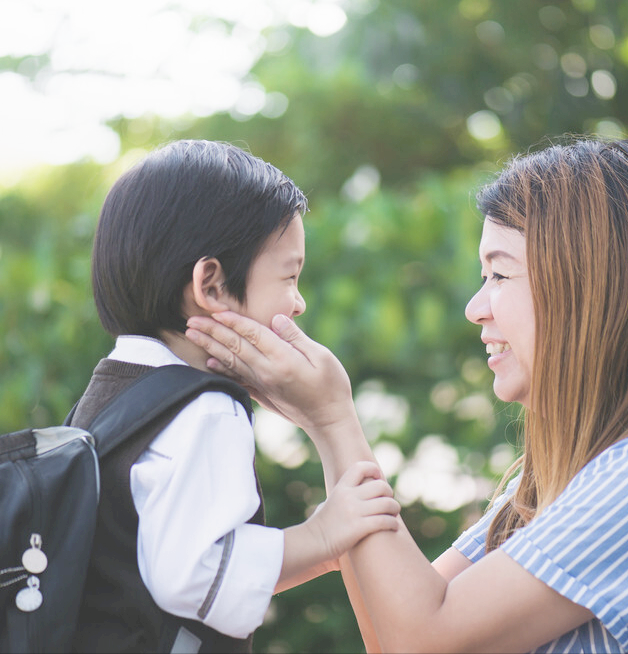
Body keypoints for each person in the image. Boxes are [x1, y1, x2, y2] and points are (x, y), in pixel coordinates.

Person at [185, 138, 628, 652]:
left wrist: (331, 419)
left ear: (588, 283)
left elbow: (423, 640)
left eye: (499, 273)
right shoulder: (565, 477)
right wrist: (320, 422)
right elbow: (394, 625)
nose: (475, 307)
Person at [69, 140, 399, 653]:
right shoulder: (204, 408)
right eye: (289, 276)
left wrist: (313, 553)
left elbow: (181, 568)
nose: (299, 300)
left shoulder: (112, 387)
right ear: (212, 285)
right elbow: (190, 576)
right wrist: (320, 535)